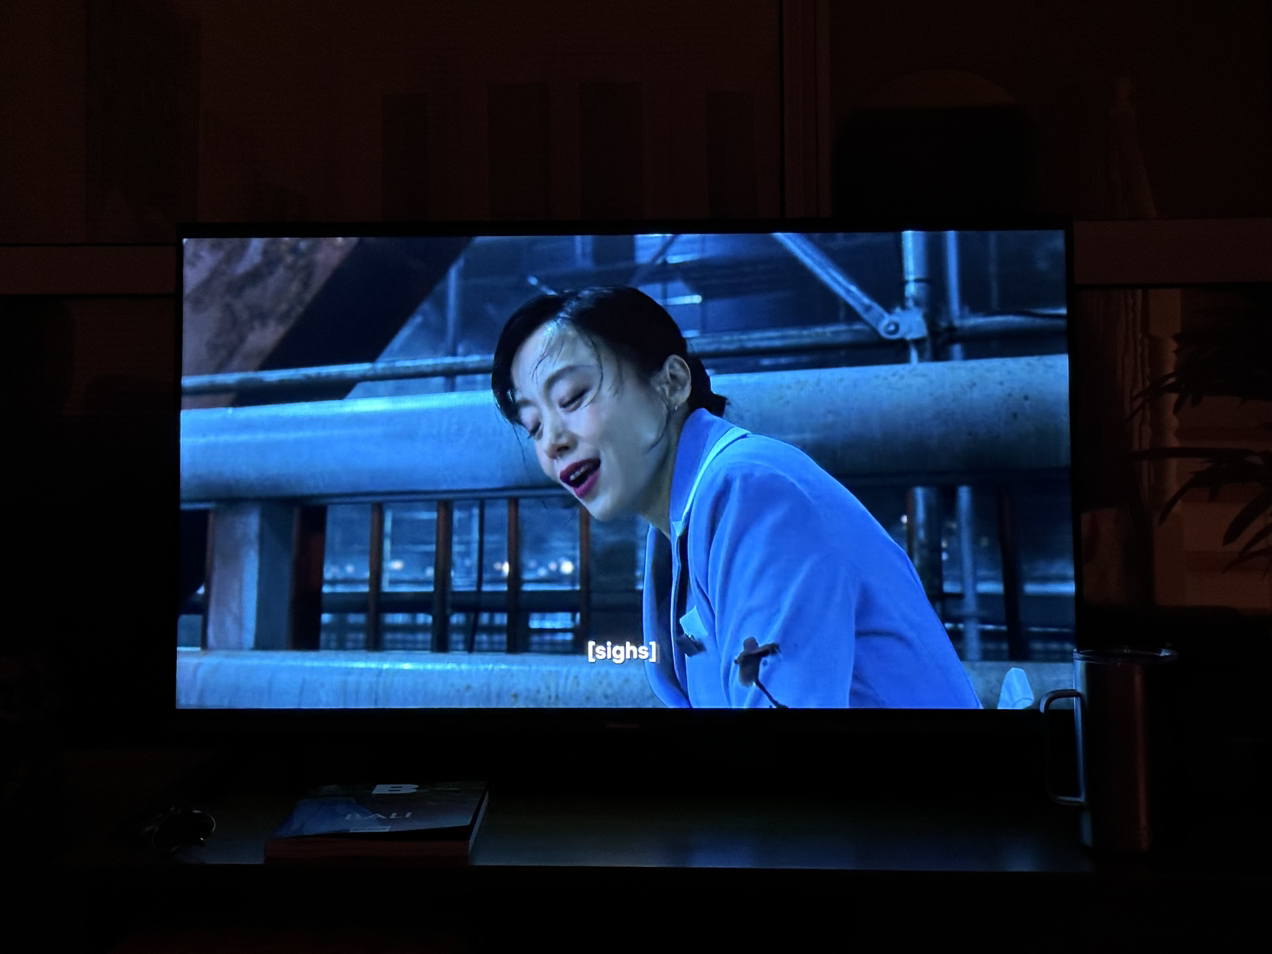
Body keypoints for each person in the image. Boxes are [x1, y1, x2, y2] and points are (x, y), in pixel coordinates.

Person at [491, 286, 981, 709]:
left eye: (573, 397)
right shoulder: (688, 517)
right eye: (533, 425)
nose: (552, 442)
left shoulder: (751, 491)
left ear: (672, 383)